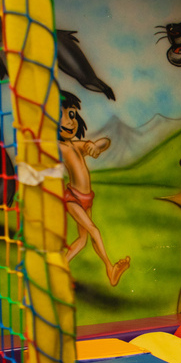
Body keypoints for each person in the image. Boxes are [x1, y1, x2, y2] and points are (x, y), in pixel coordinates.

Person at [58, 91, 130, 286]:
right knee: (94, 230)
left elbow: (104, 142)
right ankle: (110, 269)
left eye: (72, 114)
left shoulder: (75, 146)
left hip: (86, 198)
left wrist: (96, 146)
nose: (70, 121)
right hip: (72, 197)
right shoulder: (59, 147)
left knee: (82, 240)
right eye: (61, 115)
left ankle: (59, 268)